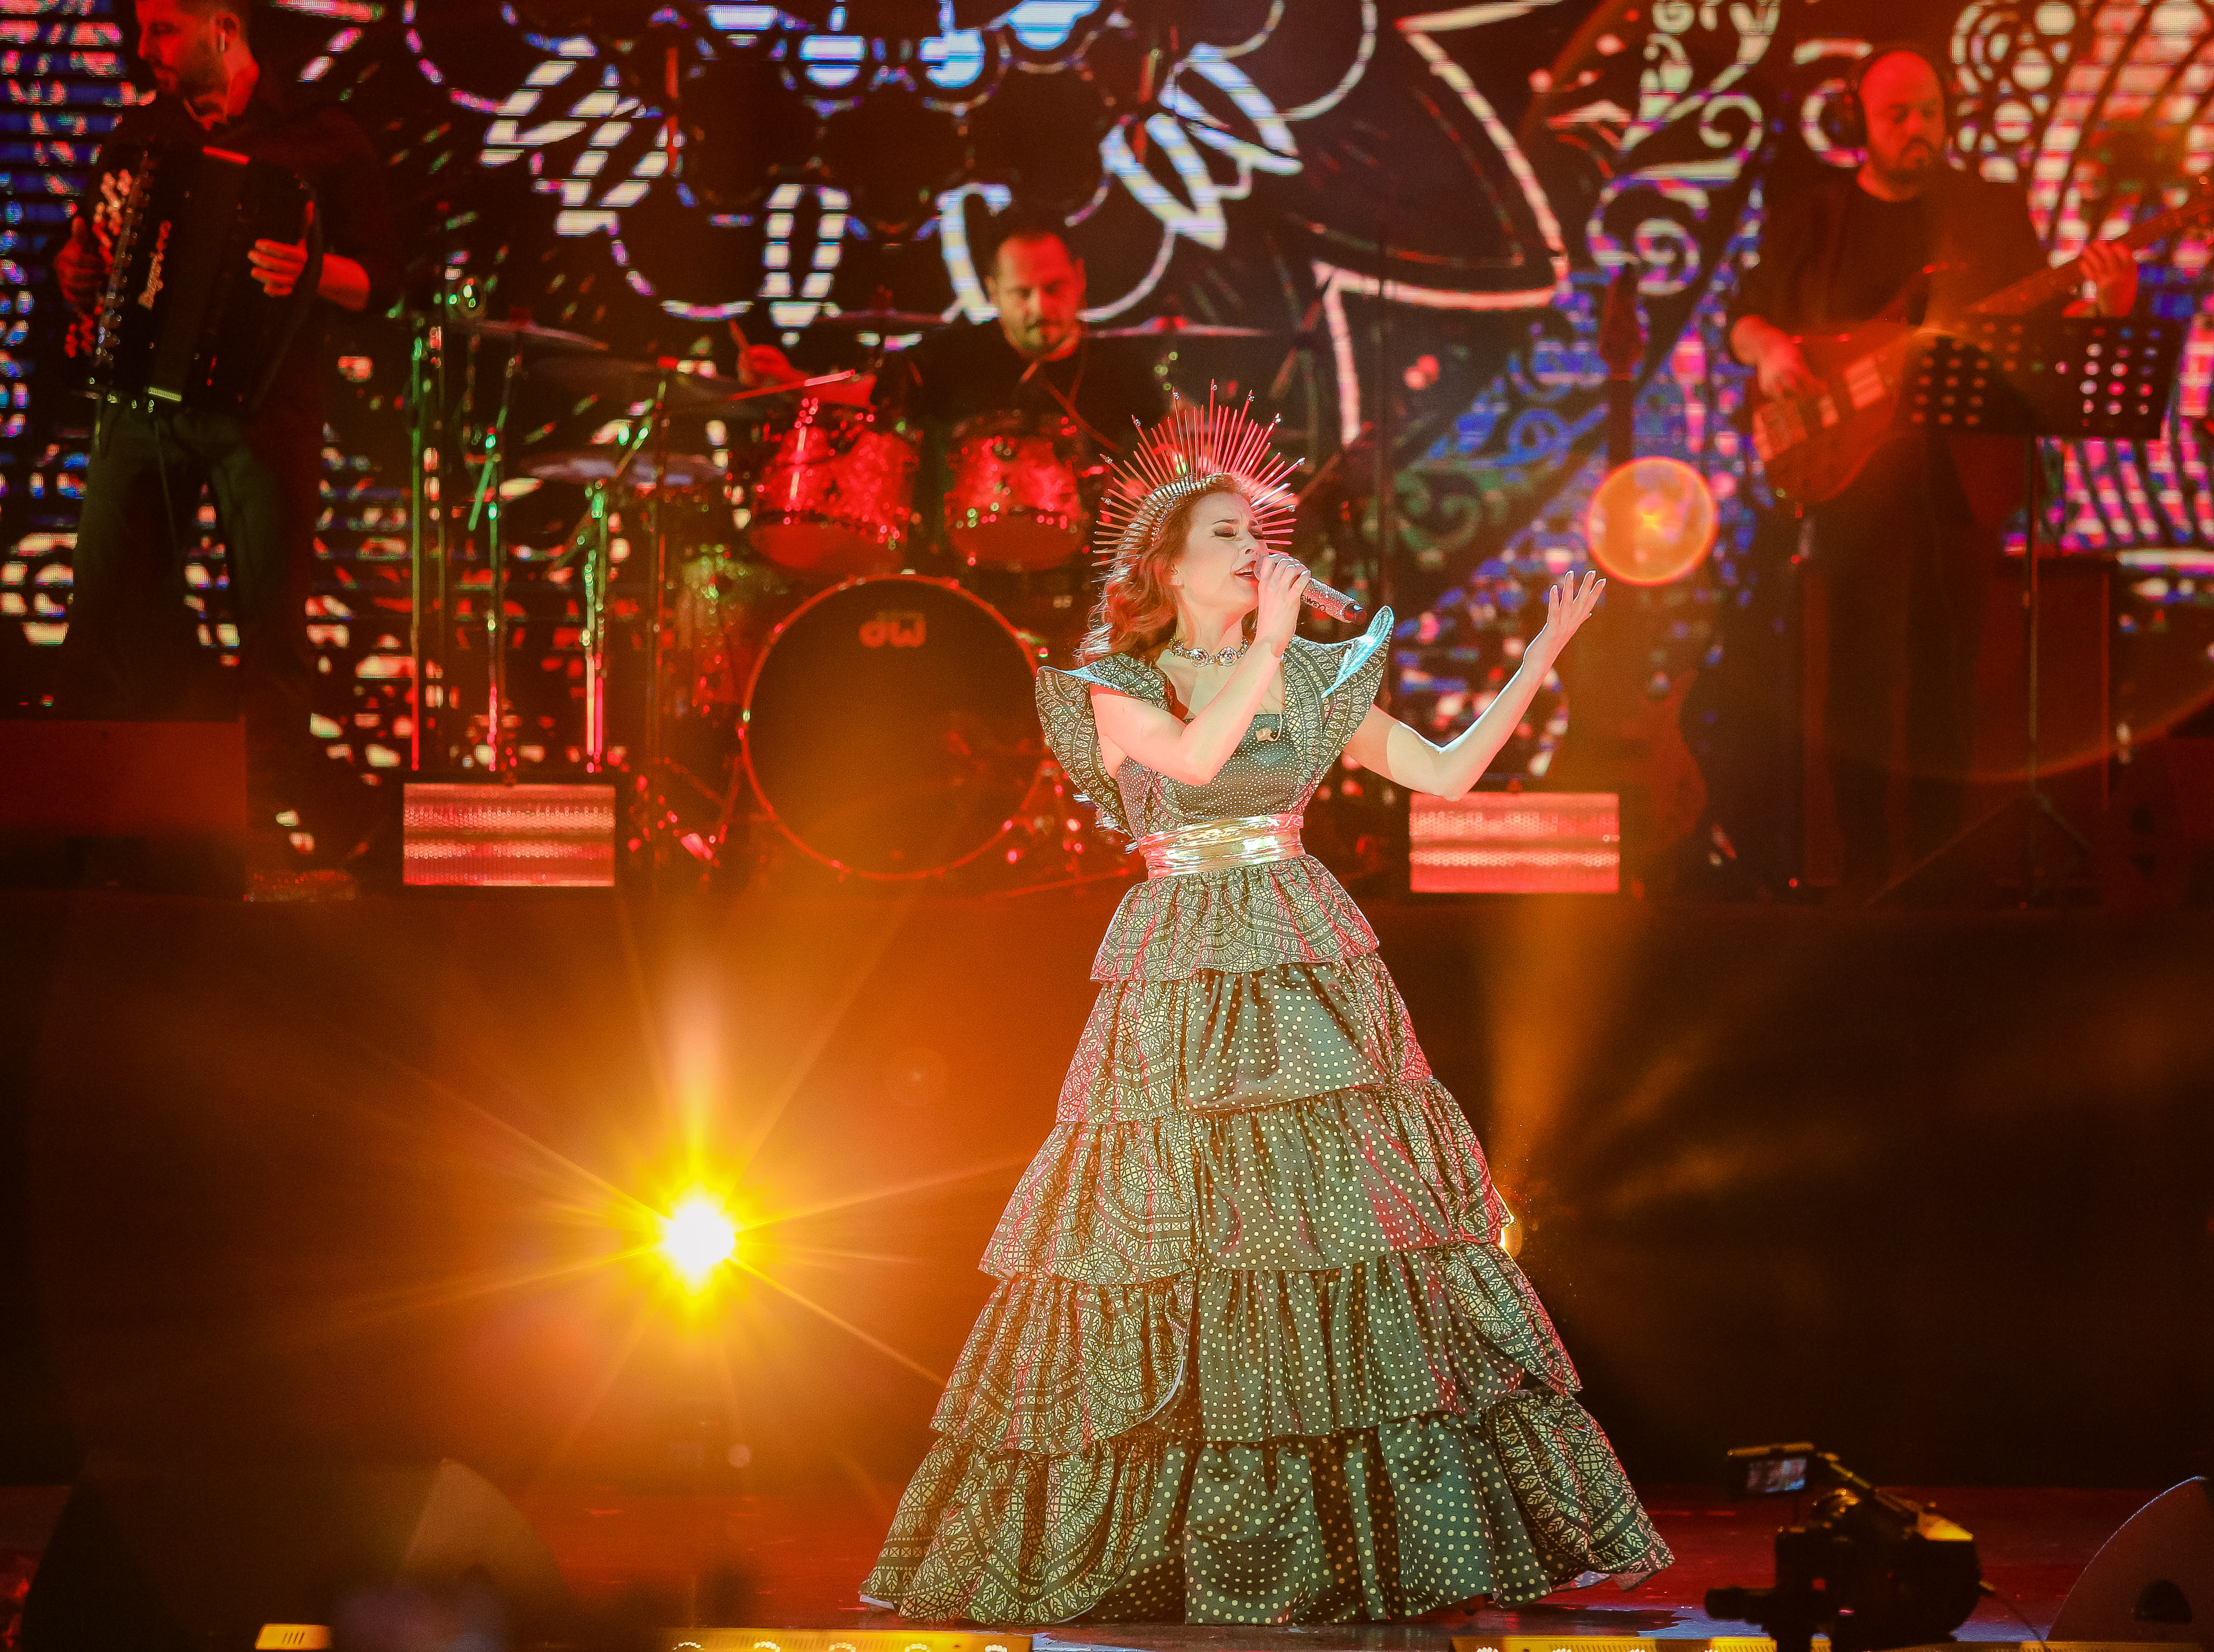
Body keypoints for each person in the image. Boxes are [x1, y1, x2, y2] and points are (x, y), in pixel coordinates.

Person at [861, 402, 1665, 1623]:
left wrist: (1542, 653)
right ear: (1167, 567)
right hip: (1184, 957)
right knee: (1170, 1235)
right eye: (1227, 536)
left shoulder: (1301, 677)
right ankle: (1159, 1539)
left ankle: (1345, 1541)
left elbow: (1447, 773)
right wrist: (1276, 638)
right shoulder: (1110, 686)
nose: (1254, 551)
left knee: (1332, 1225)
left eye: (1260, 534)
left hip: (1300, 948)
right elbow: (1194, 761)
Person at [1726, 42, 2134, 898]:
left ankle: (1936, 870)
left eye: (1930, 113)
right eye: (1898, 115)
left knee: (1950, 671)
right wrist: (1767, 348)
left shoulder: (1985, 212)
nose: (1918, 128)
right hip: (1849, 475)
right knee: (1860, 671)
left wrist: (2105, 304)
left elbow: (2038, 330)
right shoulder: (1816, 216)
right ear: (1859, 124)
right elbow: (1746, 316)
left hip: (1962, 468)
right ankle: (1863, 867)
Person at [54, 0, 402, 853]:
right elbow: (91, 256)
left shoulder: (323, 136)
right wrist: (76, 272)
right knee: (102, 620)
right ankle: (88, 832)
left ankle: (258, 834)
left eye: (163, 30)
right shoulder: (140, 135)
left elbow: (383, 283)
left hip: (268, 410)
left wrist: (313, 269)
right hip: (143, 407)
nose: (144, 49)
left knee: (271, 633)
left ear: (223, 28)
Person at [739, 205, 1165, 633]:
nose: (1040, 307)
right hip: (966, 584)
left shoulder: (1123, 368)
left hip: (1097, 593)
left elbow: (1169, 453)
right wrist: (790, 381)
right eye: (1021, 293)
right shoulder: (954, 355)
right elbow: (871, 396)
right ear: (992, 291)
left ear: (1080, 278)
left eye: (1053, 288)